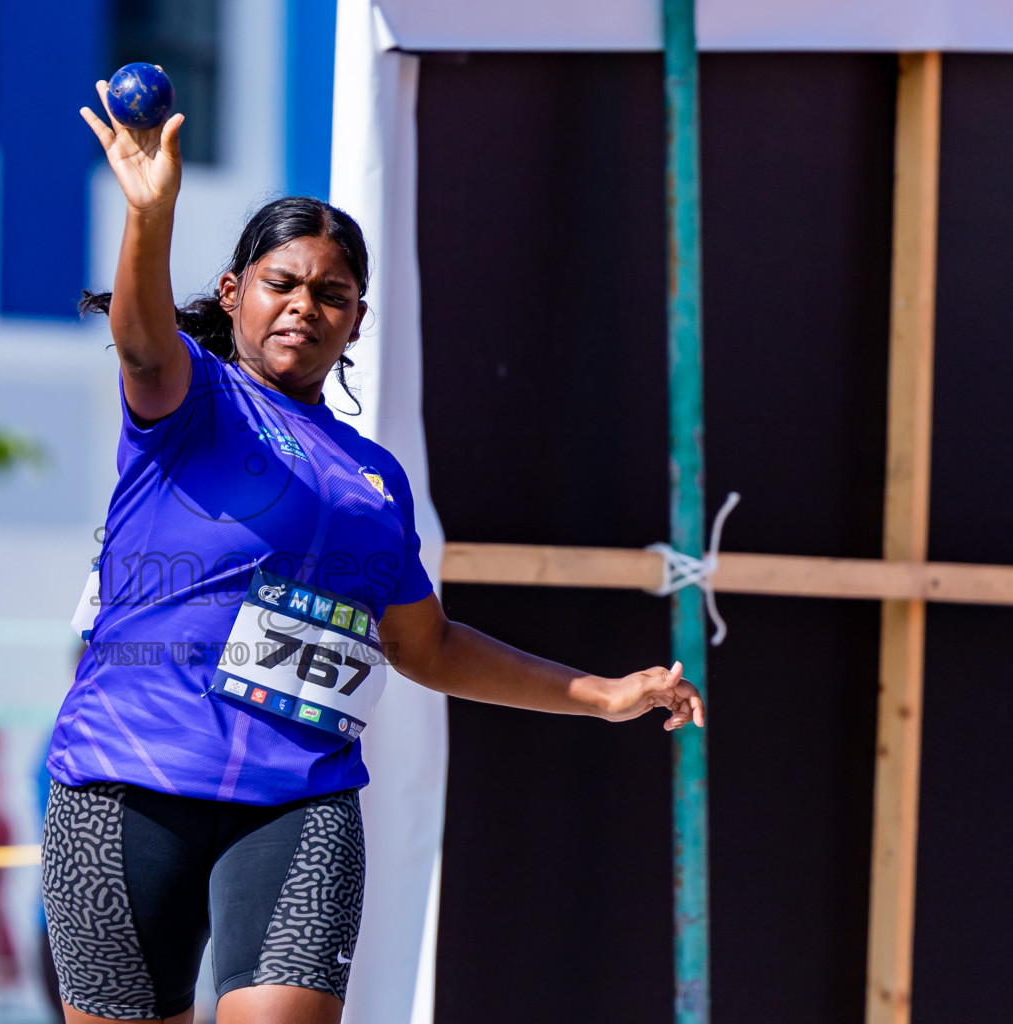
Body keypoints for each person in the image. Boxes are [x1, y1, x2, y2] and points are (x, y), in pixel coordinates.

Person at [40, 83, 708, 1024]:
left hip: (297, 804)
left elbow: (426, 647)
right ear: (234, 293)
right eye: (282, 282)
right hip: (127, 786)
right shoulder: (187, 404)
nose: (305, 307)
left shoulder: (376, 481)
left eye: (332, 293)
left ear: (356, 320)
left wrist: (601, 696)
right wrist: (151, 214)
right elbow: (144, 343)